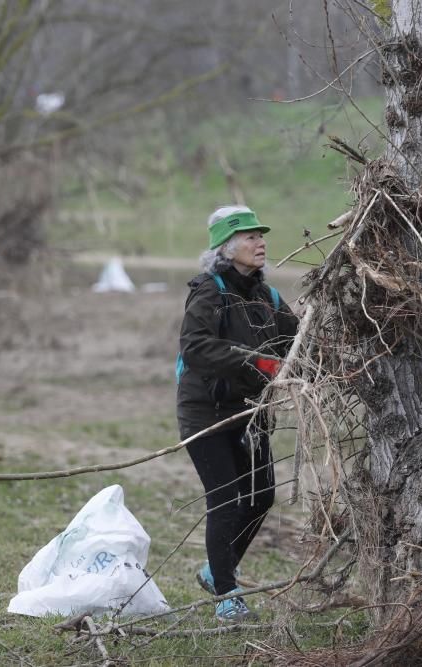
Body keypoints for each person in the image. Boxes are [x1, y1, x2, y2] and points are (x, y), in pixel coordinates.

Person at [176, 205, 298, 622]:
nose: (260, 241)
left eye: (260, 235)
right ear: (226, 248)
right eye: (249, 236)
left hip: (252, 409)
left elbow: (295, 343)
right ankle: (227, 596)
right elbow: (195, 347)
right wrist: (256, 363)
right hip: (205, 411)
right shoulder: (208, 291)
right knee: (225, 500)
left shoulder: (269, 297)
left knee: (261, 497)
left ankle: (215, 571)